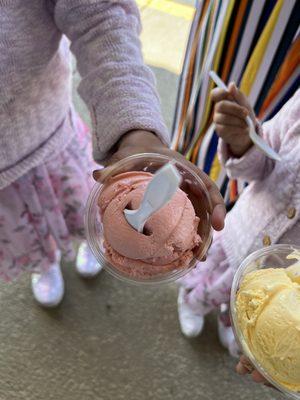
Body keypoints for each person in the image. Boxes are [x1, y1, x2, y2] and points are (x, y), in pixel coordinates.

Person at [0, 1, 225, 308]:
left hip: (51, 139)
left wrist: (132, 129)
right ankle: (46, 264)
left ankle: (98, 244)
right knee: (30, 236)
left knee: (85, 211)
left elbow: (98, 15)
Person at [178, 84, 300, 360]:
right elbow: (266, 160)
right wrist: (243, 141)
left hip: (279, 281)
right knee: (208, 286)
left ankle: (227, 320)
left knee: (243, 310)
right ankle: (192, 303)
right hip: (239, 235)